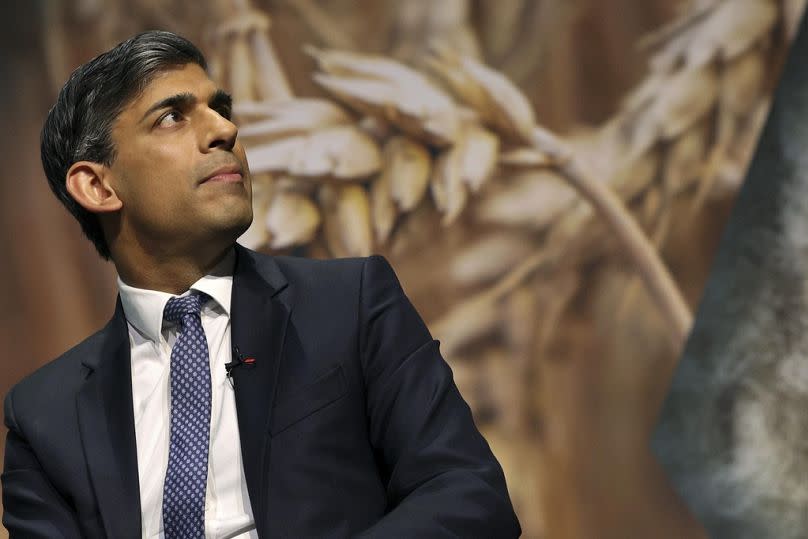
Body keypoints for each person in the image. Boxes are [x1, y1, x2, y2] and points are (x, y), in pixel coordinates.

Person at [1, 30, 520, 538]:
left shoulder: (351, 305)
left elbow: (468, 496)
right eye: (172, 118)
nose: (223, 130)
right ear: (97, 185)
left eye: (220, 109)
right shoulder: (44, 415)